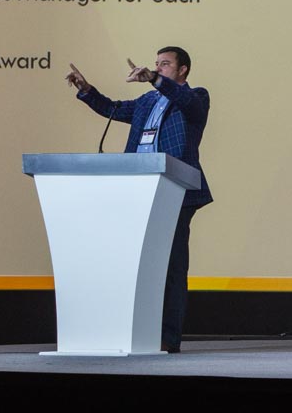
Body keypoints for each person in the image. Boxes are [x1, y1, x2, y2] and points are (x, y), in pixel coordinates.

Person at [66, 47, 211, 354]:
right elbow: (114, 109)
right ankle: (134, 332)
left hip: (175, 189)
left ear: (183, 70)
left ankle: (167, 337)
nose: (158, 67)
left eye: (165, 64)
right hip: (138, 188)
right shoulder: (147, 101)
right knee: (136, 265)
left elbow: (186, 102)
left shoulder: (196, 96)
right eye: (157, 64)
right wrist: (87, 90)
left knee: (171, 267)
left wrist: (156, 79)